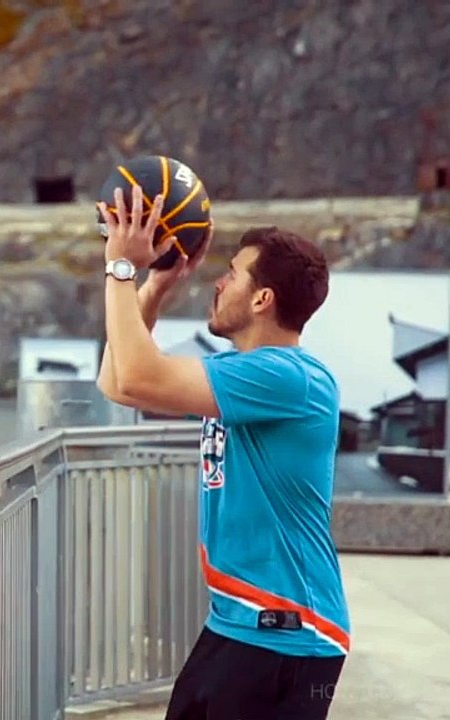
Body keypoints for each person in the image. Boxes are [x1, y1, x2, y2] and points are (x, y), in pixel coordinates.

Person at [96, 185, 350, 720]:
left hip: (288, 634)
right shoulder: (243, 376)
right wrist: (156, 286)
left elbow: (138, 373)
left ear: (262, 299)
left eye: (232, 273)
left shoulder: (289, 378)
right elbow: (119, 382)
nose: (219, 281)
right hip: (235, 623)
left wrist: (122, 268)